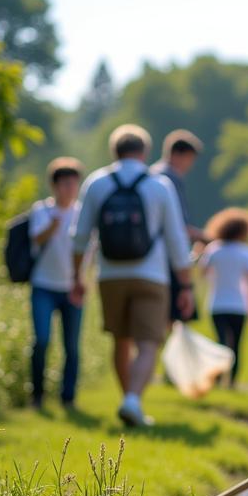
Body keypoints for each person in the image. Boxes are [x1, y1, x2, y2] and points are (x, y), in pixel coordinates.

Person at [71, 124, 193, 427]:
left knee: (120, 339)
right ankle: (133, 401)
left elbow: (80, 237)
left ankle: (130, 403)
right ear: (145, 152)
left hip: (110, 274)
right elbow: (177, 239)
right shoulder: (159, 184)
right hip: (151, 275)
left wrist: (77, 276)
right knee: (149, 342)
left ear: (114, 150)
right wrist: (186, 285)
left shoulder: (96, 183)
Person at [28, 157, 84, 409]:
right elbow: (37, 239)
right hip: (43, 286)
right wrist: (54, 223)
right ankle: (37, 395)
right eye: (64, 183)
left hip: (72, 287)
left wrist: (83, 280)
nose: (69, 188)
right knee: (41, 340)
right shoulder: (41, 210)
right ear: (54, 185)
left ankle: (68, 397)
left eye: (73, 183)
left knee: (71, 346)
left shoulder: (83, 213)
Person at [199, 207, 248, 387]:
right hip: (239, 305)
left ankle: (218, 378)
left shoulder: (214, 250)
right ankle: (231, 382)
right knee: (236, 346)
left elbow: (202, 274)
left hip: (217, 304)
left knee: (220, 343)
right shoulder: (246, 252)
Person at [151, 128, 206, 323]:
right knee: (172, 321)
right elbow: (178, 227)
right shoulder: (170, 179)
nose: (189, 166)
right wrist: (205, 237)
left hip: (148, 259)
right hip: (168, 261)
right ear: (179, 154)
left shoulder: (151, 174)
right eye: (190, 159)